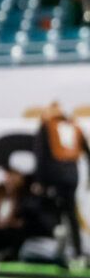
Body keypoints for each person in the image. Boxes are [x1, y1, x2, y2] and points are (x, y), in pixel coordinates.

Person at [33, 102, 85, 264]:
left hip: (55, 175)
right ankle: (78, 252)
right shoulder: (74, 126)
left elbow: (41, 155)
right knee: (71, 213)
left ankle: (58, 242)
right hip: (73, 175)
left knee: (49, 208)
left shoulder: (47, 127)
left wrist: (40, 181)